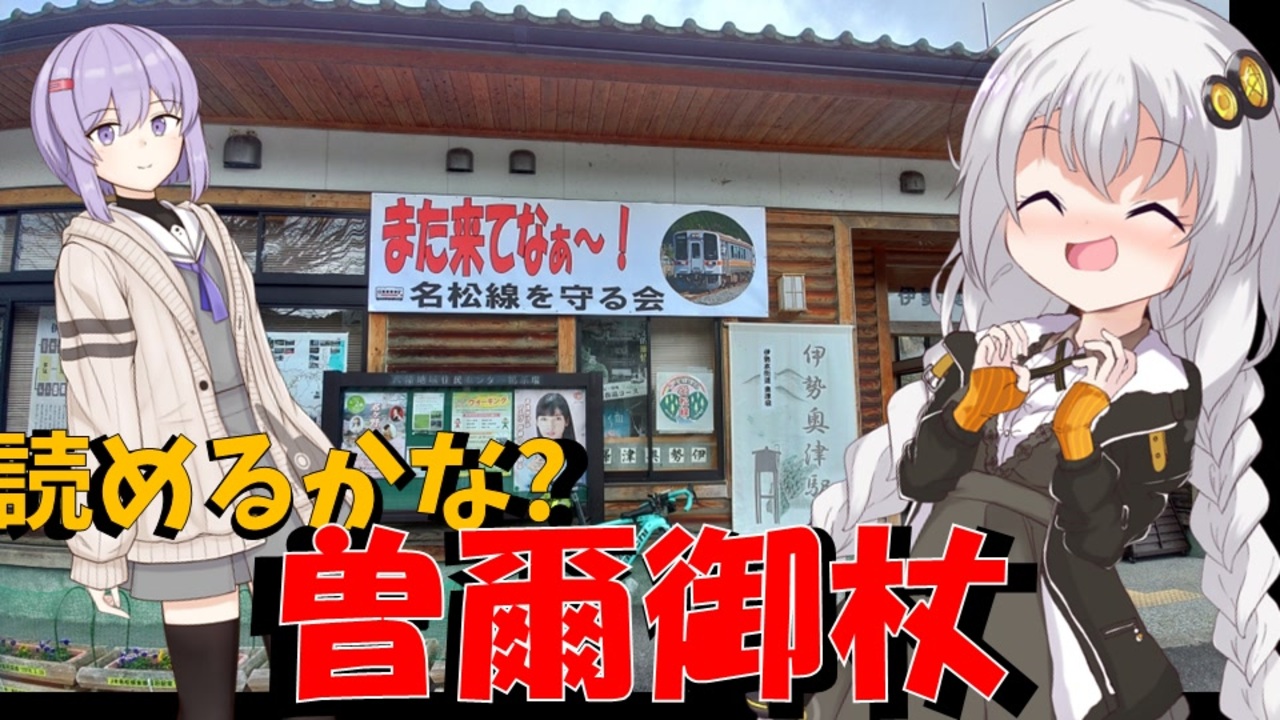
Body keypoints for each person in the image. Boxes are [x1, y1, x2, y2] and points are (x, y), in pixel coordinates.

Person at [796, 1, 1280, 719]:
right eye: (1048, 198)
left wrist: (1080, 439)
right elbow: (920, 478)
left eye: (1147, 213)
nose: (1088, 237)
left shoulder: (1161, 383)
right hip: (932, 580)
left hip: (1043, 609)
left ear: (1206, 231)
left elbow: (1103, 539)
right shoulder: (1002, 343)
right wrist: (967, 412)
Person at [31, 23, 347, 720]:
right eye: (107, 130)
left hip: (261, 459)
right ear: (74, 146)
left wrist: (316, 457)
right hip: (178, 473)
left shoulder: (208, 227)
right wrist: (101, 541)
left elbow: (260, 366)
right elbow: (101, 406)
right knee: (207, 687)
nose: (144, 143)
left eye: (161, 119)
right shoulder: (89, 253)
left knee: (302, 644)